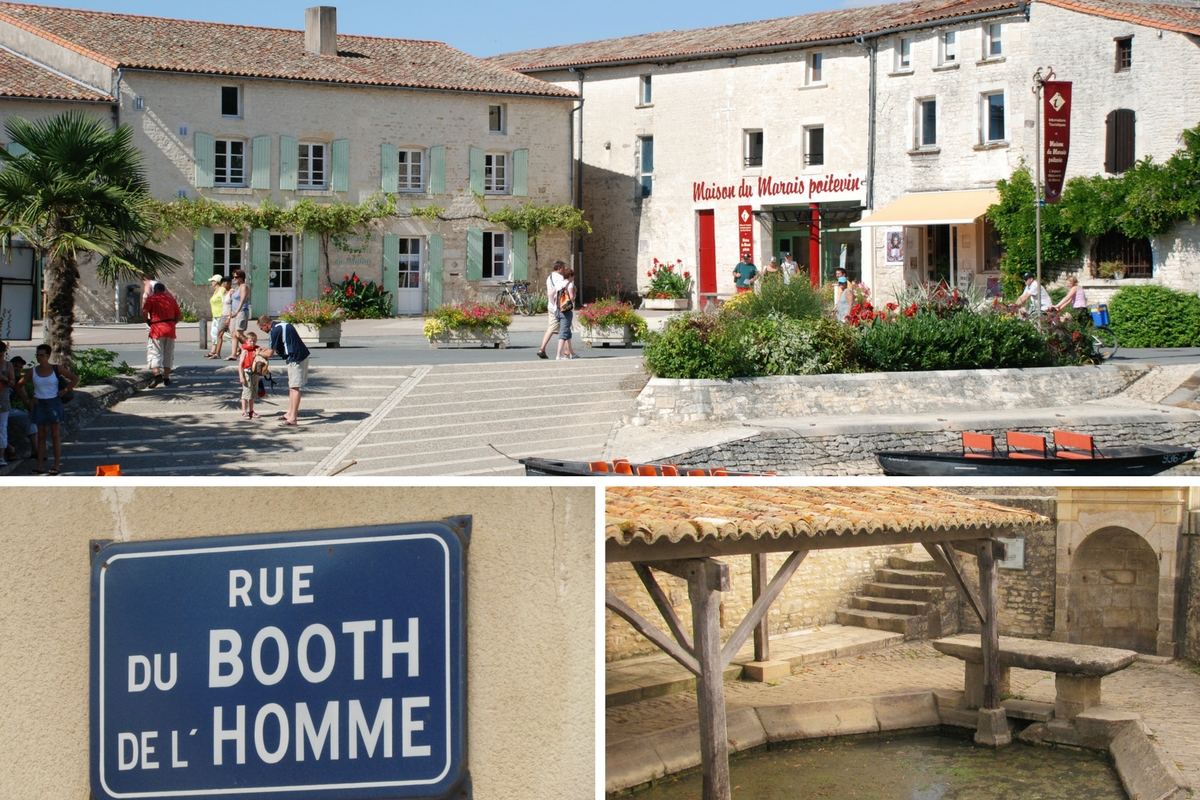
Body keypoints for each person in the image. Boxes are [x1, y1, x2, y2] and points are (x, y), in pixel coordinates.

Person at [18, 343, 77, 475]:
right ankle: (40, 466)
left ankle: (56, 465)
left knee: (55, 436)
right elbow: (19, 385)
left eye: (42, 355)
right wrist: (28, 400)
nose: (39, 358)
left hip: (54, 403)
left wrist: (64, 390)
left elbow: (75, 378)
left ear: (48, 356)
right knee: (41, 437)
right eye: (37, 355)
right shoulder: (33, 371)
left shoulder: (56, 369)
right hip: (39, 404)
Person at [257, 314, 311, 426]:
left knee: (295, 387)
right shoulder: (281, 324)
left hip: (296, 357)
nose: (263, 331)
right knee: (292, 386)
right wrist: (265, 349)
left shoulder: (274, 331)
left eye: (262, 329)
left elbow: (270, 354)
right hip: (299, 355)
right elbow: (281, 343)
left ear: (266, 325)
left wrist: (258, 353)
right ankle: (289, 413)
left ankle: (293, 418)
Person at [142, 281, 181, 387]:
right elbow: (178, 315)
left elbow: (145, 311)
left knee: (155, 352)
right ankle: (166, 378)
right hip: (170, 328)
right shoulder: (171, 300)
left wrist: (148, 321)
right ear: (164, 290)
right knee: (168, 353)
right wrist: (172, 323)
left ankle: (157, 374)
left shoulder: (152, 299)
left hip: (156, 328)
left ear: (154, 291)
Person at [537, 260, 567, 359]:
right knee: (564, 328)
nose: (564, 270)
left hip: (551, 305)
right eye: (563, 268)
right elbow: (561, 291)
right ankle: (566, 352)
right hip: (559, 306)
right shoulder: (560, 278)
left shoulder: (549, 277)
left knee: (554, 327)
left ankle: (543, 349)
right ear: (559, 269)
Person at [6, 355, 33, 462]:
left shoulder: (18, 381)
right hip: (2, 410)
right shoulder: (4, 376)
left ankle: (36, 448)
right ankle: (9, 448)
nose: (18, 369)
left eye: (20, 367)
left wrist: (31, 411)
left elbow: (25, 399)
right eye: (15, 366)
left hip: (9, 410)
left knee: (29, 418)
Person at [227, 269, 251, 362]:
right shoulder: (237, 288)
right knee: (233, 334)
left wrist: (237, 311)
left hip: (241, 312)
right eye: (233, 277)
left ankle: (251, 346)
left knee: (239, 333)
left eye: (236, 277)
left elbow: (242, 300)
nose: (234, 279)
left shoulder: (244, 287)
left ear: (241, 277)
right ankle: (233, 354)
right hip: (234, 312)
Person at [206, 274, 231, 359]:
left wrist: (225, 315)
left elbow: (225, 302)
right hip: (215, 316)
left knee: (227, 335)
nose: (211, 283)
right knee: (215, 333)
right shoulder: (216, 291)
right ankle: (214, 351)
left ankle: (238, 349)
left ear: (216, 281)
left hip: (221, 315)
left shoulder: (222, 290)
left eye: (212, 281)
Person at [238, 331, 262, 420]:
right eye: (251, 341)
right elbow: (240, 364)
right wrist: (241, 376)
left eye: (254, 341)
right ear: (247, 341)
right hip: (247, 373)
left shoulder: (256, 350)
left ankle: (251, 410)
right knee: (246, 393)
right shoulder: (245, 351)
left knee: (253, 393)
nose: (252, 343)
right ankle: (244, 411)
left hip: (254, 373)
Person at [556, 267, 578, 360]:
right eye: (572, 276)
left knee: (567, 331)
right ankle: (558, 354)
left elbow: (551, 294)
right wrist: (575, 292)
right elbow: (572, 298)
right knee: (563, 333)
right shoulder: (569, 284)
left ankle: (571, 353)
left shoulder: (558, 283)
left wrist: (555, 305)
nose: (573, 278)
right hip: (566, 311)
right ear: (570, 276)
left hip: (557, 309)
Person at [0, 340, 14, 467]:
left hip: (3, 398)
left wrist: (4, 379)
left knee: (2, 428)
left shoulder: (7, 365)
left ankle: (1, 456)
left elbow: (13, 383)